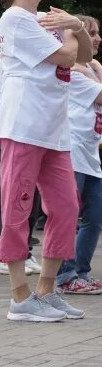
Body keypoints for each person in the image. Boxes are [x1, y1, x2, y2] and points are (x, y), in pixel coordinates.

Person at [0, 0, 91, 322]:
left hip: (54, 129)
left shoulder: (45, 19)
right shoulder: (15, 18)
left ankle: (47, 291)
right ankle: (19, 296)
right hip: (23, 125)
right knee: (18, 206)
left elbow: (86, 54)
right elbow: (67, 57)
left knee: (66, 207)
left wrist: (75, 27)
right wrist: (71, 27)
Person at [0, 40, 41, 275]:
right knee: (9, 197)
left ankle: (25, 250)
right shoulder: (0, 69)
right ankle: (7, 255)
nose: (2, 51)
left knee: (31, 197)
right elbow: (3, 106)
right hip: (3, 136)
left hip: (27, 136)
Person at [56, 15, 102, 294]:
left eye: (97, 33)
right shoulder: (70, 72)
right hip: (71, 152)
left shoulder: (91, 71)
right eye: (91, 33)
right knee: (67, 215)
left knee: (95, 216)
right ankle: (65, 275)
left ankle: (81, 273)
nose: (97, 38)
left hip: (90, 154)